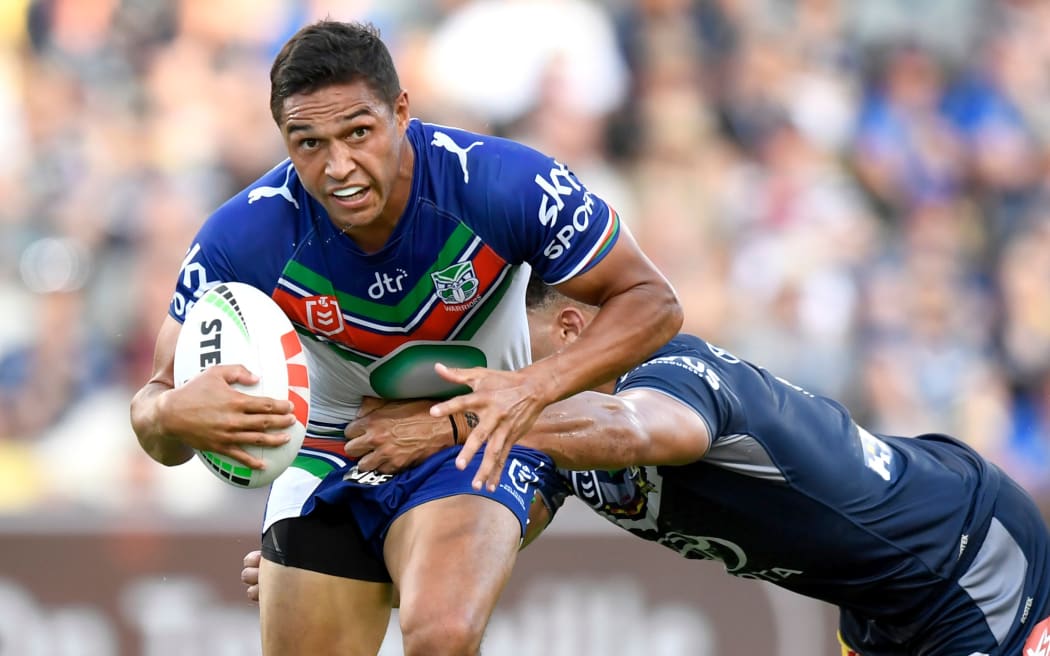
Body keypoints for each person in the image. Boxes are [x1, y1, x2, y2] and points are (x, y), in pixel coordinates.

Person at [129, 20, 682, 656]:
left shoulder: (500, 183)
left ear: (400, 112)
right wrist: (175, 412)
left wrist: (523, 392)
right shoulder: (241, 237)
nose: (338, 167)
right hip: (331, 453)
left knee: (441, 635)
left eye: (358, 133)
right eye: (307, 143)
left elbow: (653, 303)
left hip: (476, 440)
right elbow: (154, 415)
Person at [243, 275, 1050, 656]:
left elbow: (634, 430)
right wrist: (345, 573)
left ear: (568, 333)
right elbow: (473, 537)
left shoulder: (676, 376)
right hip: (879, 607)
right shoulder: (554, 440)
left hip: (967, 556)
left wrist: (450, 422)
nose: (494, 372)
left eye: (507, 353)